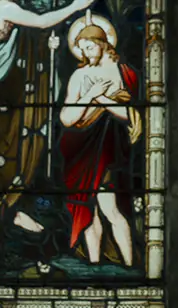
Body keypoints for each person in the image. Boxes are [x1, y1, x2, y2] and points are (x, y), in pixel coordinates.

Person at [0, 0, 93, 241]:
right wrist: (75, 6)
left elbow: (32, 35)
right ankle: (1, 212)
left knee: (23, 149)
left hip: (12, 97)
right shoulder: (3, 7)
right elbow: (41, 22)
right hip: (5, 101)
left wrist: (47, 46)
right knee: (8, 155)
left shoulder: (6, 8)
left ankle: (14, 209)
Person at [57, 15, 140, 268]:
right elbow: (67, 118)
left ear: (103, 43)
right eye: (82, 49)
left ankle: (129, 265)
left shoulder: (124, 73)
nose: (86, 53)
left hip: (108, 149)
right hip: (80, 147)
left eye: (90, 47)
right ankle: (94, 266)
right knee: (87, 209)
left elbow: (132, 114)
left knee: (110, 208)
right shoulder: (79, 75)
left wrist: (102, 100)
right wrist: (91, 95)